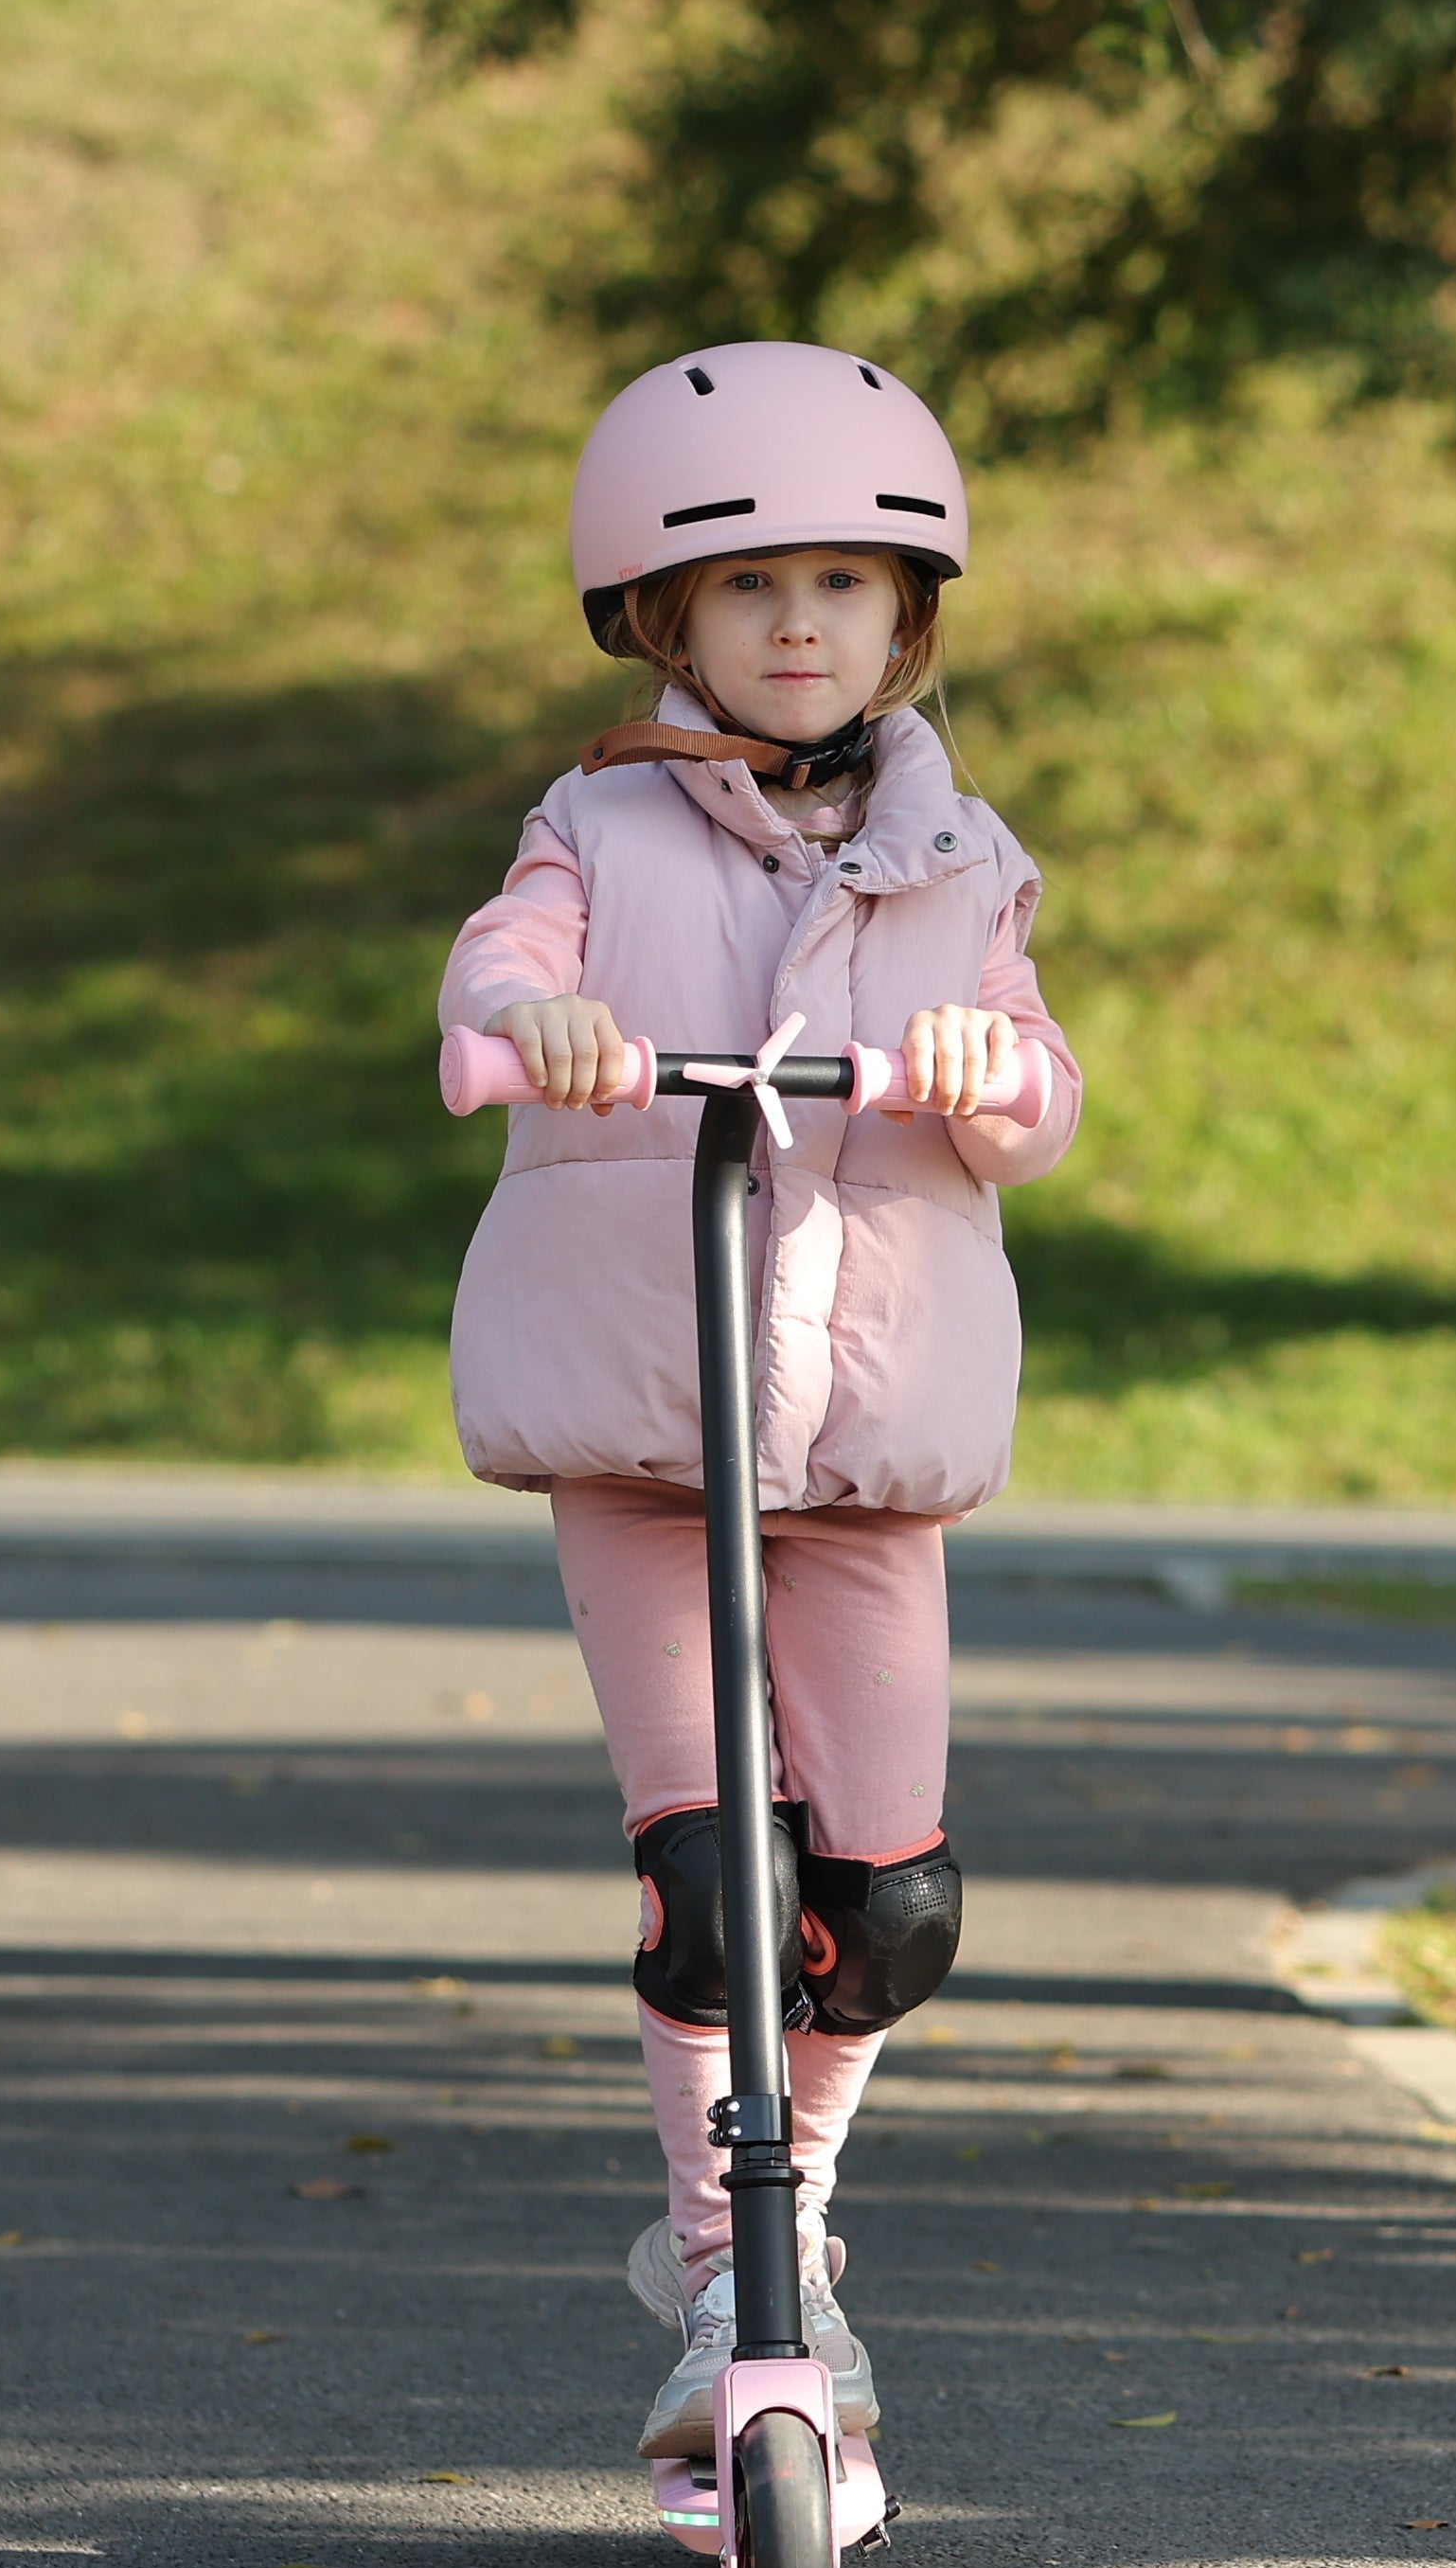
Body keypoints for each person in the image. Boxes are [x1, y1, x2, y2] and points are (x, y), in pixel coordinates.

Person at [438, 341, 1082, 2459]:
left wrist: (998, 1079)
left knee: (883, 1903)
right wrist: (541, 1024)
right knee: (718, 1879)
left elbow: (1031, 1074)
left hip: (867, 1439)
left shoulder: (963, 861)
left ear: (908, 621)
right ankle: (731, 2270)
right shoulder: (596, 823)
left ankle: (799, 2216)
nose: (795, 623)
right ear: (661, 621)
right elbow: (503, 961)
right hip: (648, 1435)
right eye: (746, 590)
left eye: (841, 583)